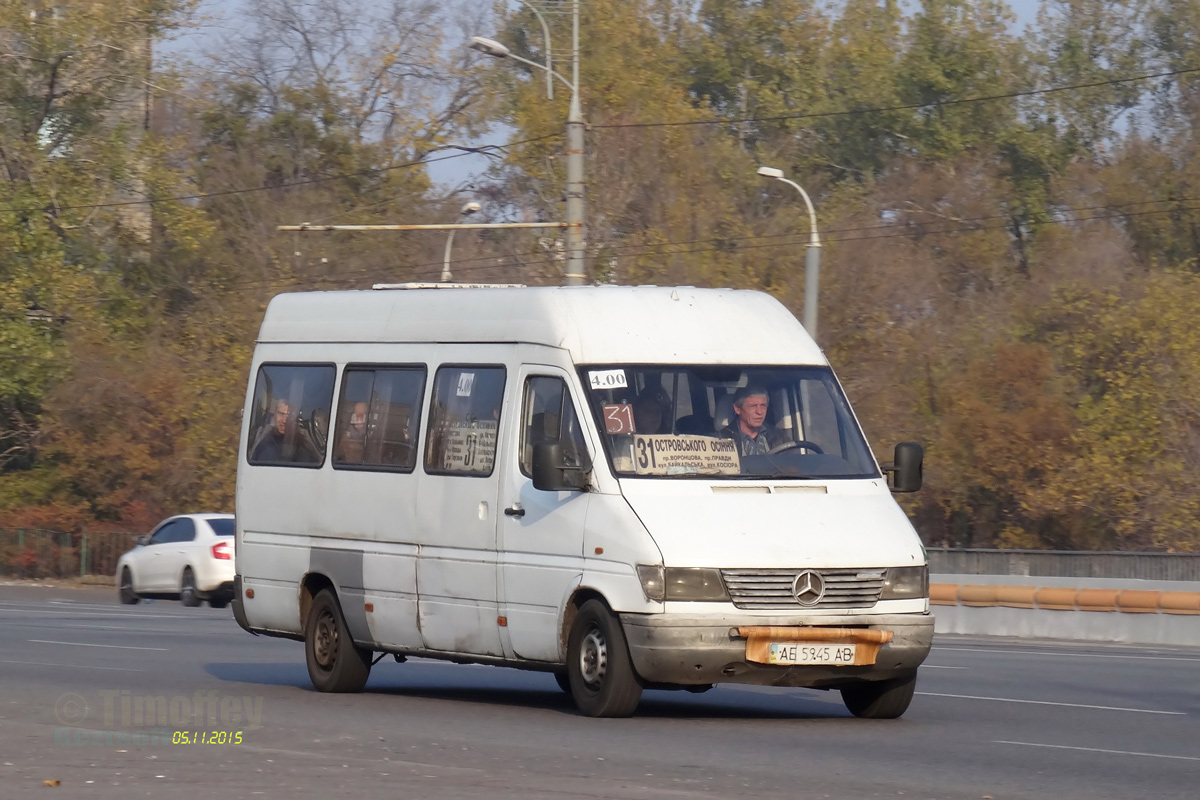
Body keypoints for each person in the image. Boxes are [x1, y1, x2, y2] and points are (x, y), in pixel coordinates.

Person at [720, 386, 784, 456]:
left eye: (763, 405)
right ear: (737, 409)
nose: (759, 412)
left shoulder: (779, 437)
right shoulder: (722, 441)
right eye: (753, 406)